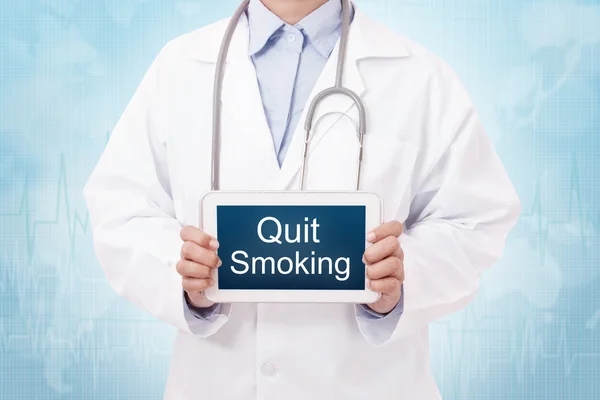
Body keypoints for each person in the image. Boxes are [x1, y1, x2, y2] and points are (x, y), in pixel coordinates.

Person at [83, 0, 521, 398]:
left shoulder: (419, 77)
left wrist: (405, 280)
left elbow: (476, 217)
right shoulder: (178, 67)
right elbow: (121, 207)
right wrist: (181, 273)